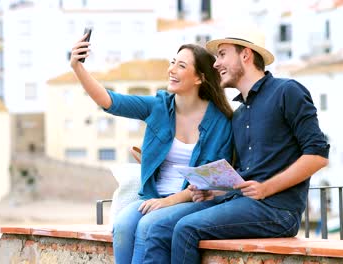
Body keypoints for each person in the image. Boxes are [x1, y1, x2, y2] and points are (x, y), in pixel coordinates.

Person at [140, 31, 330, 264]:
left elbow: (318, 155)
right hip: (240, 202)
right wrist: (213, 190)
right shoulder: (238, 115)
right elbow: (242, 176)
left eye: (222, 54)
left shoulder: (287, 91)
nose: (216, 63)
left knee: (186, 228)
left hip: (278, 211)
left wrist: (266, 188)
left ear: (246, 55)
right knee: (159, 226)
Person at [70, 33, 234, 264]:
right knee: (124, 225)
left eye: (181, 65)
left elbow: (211, 181)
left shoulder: (220, 122)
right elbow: (109, 101)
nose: (172, 70)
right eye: (172, 63)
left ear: (199, 78)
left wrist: (167, 202)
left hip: (192, 201)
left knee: (149, 224)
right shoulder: (159, 106)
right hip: (152, 198)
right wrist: (77, 67)